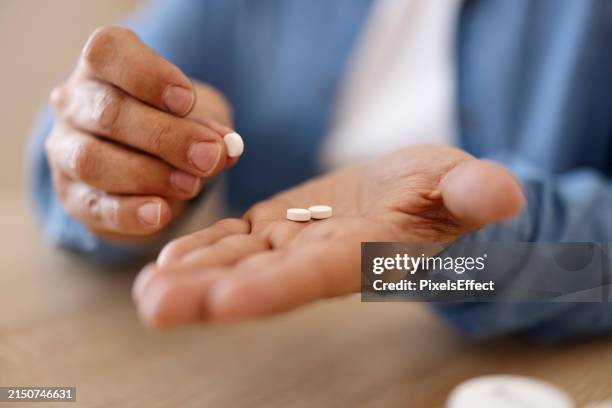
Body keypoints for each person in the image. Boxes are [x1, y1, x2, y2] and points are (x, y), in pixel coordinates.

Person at [28, 0, 612, 340]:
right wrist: (120, 179)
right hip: (252, 346)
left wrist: (461, 258)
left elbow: (601, 271)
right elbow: (67, 149)